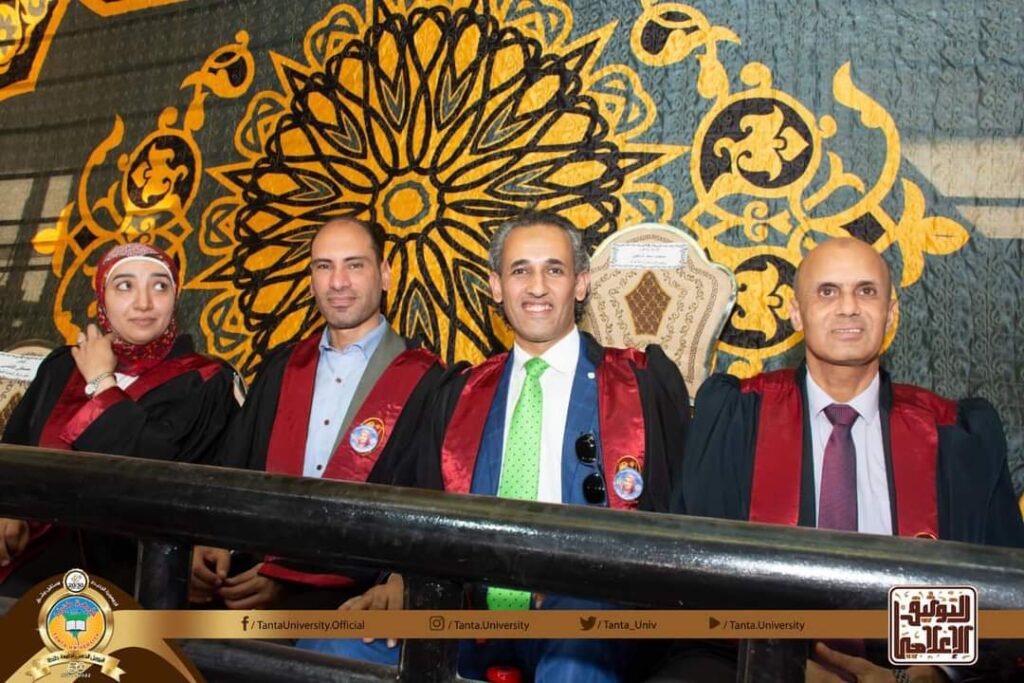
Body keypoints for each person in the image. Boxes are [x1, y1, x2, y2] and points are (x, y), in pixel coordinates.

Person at [304, 211, 690, 681]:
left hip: (589, 617)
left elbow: (675, 522)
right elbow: (423, 509)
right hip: (468, 616)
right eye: (520, 271)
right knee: (332, 645)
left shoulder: (639, 384)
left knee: (575, 645)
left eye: (554, 270)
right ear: (496, 286)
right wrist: (400, 579)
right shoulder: (458, 393)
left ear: (581, 284)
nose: (536, 287)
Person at [675, 237, 1024, 681]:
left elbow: (1005, 595)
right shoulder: (735, 419)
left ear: (891, 313)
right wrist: (781, 666)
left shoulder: (953, 436)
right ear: (795, 313)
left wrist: (927, 672)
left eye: (866, 291)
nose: (848, 308)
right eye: (827, 291)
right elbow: (692, 578)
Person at [192, 218, 444, 610]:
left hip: (356, 602)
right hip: (247, 586)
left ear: (385, 275)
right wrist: (211, 541)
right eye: (324, 266)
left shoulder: (428, 382)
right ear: (311, 281)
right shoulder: (281, 368)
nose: (337, 282)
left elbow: (427, 511)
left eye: (354, 265)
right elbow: (233, 471)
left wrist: (291, 581)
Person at [0, 242, 239, 596]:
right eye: (125, 286)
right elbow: (14, 450)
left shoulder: (206, 381)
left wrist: (102, 383)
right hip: (29, 561)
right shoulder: (62, 365)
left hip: (133, 572)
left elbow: (152, 473)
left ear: (175, 297)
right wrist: (10, 511)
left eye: (160, 286)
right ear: (102, 297)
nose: (144, 303)